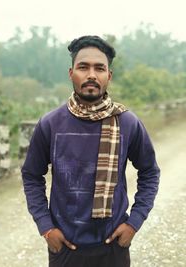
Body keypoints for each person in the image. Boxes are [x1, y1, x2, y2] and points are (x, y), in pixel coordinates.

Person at [21, 35, 160, 267]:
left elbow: (150, 173)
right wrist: (46, 227)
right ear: (71, 73)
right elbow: (31, 175)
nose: (91, 75)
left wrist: (134, 222)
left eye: (100, 68)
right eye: (83, 67)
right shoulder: (50, 124)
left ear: (109, 76)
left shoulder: (127, 123)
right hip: (64, 247)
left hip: (113, 246)